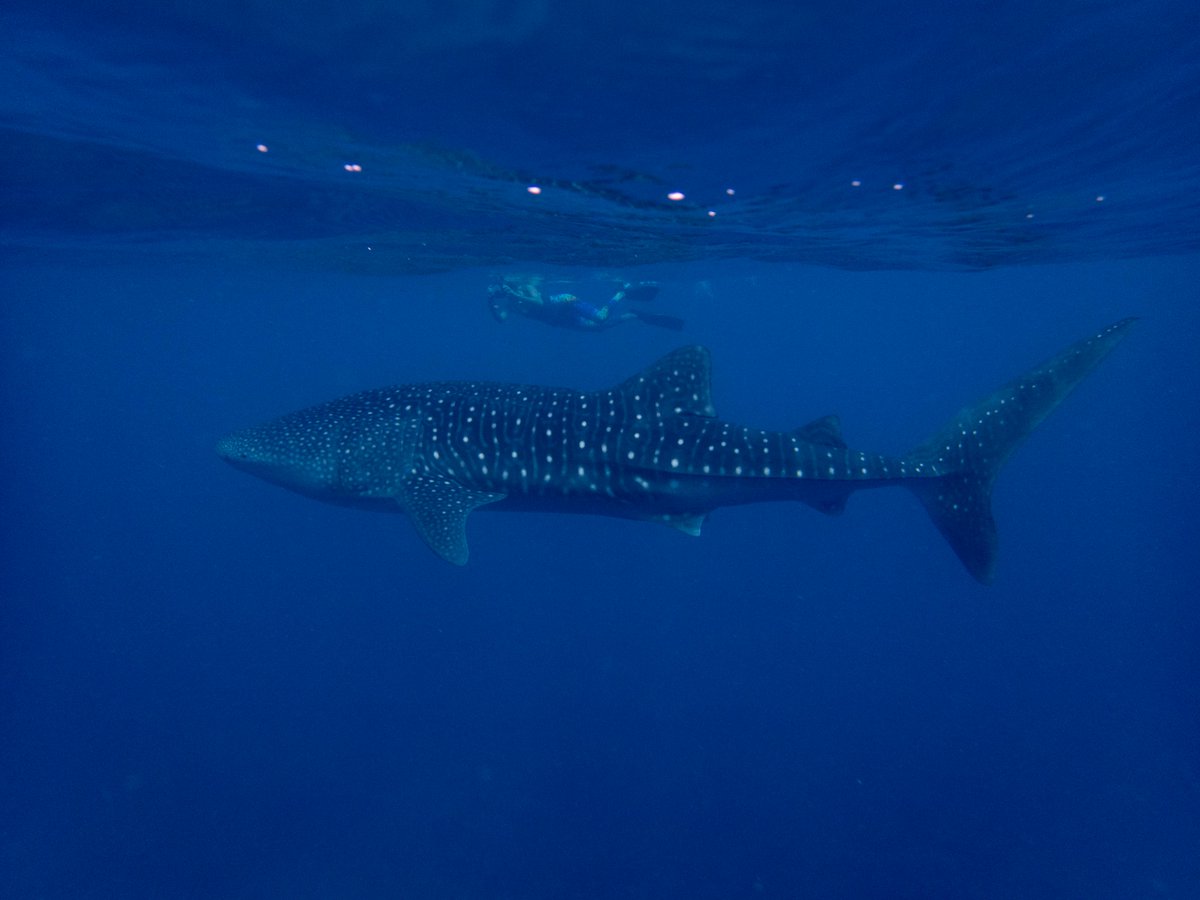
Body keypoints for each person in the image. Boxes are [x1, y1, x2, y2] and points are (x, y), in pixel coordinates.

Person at [488, 274, 684, 331]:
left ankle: (621, 293)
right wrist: (490, 301)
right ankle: (634, 314)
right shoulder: (510, 304)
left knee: (600, 317)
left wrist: (516, 295)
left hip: (563, 303)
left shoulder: (524, 288)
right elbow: (501, 320)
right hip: (557, 320)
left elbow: (540, 303)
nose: (502, 294)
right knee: (600, 328)